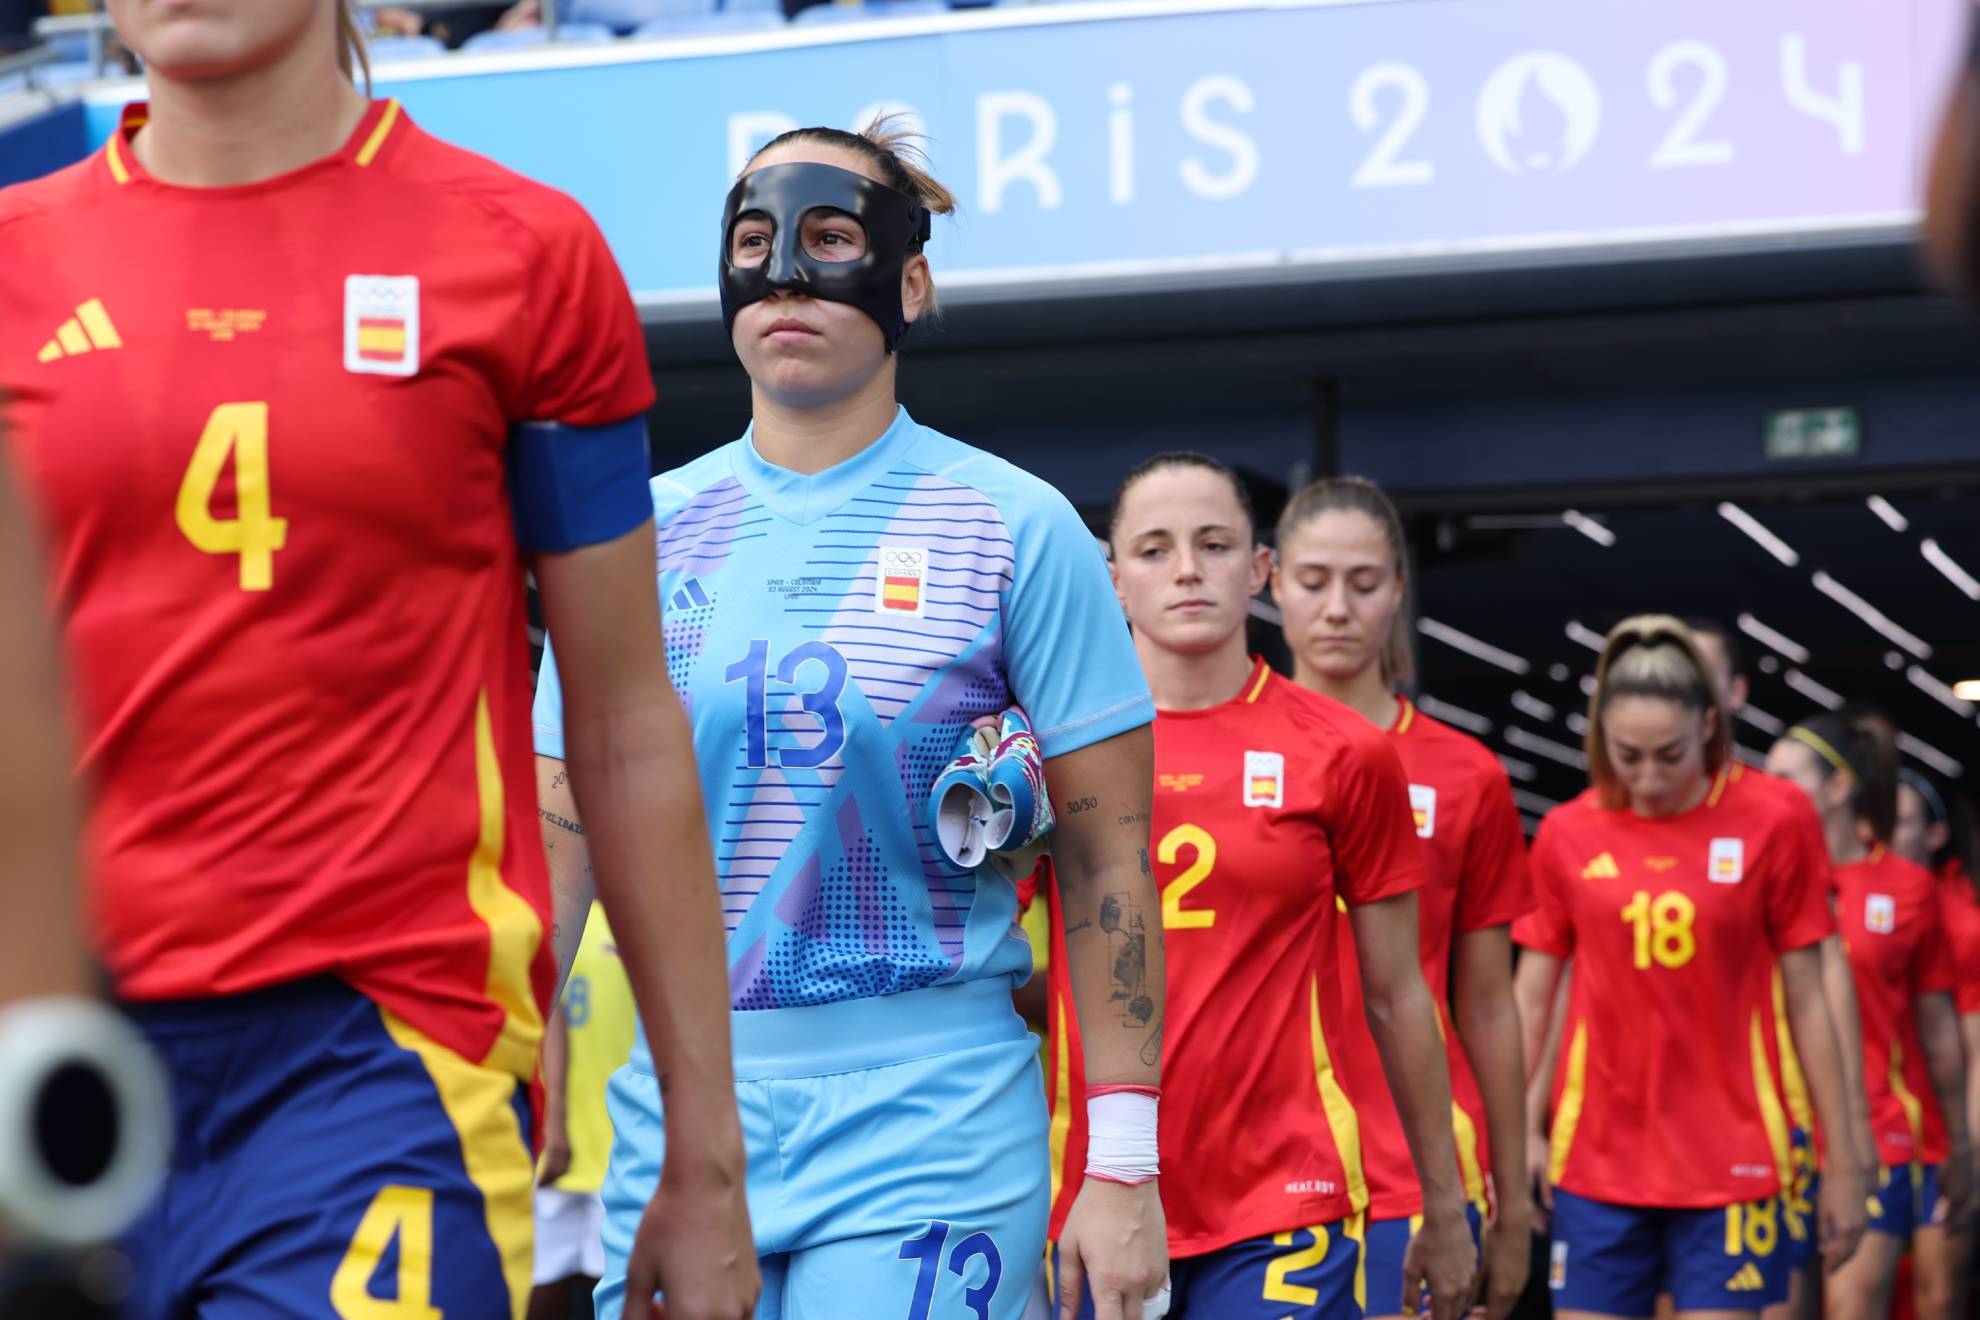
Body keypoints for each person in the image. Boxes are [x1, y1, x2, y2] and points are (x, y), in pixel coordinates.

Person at [0, 1, 757, 1314]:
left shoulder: (520, 253)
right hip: (52, 1056)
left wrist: (706, 1157)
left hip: (383, 1056)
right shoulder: (17, 258)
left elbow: (624, 724)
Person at [533, 121, 1168, 1320]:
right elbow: (556, 859)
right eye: (754, 243)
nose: (785, 275)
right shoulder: (628, 541)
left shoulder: (1018, 527)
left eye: (830, 239)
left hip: (933, 1115)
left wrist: (1125, 1164)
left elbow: (1107, 864)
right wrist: (468, 1095)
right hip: (676, 1114)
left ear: (909, 284)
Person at [1040, 452, 1477, 1320]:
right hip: (1099, 1195)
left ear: (1260, 569)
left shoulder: (1344, 752)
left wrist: (1446, 1202)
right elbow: (995, 981)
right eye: (1155, 549)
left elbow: (1399, 994)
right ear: (1113, 578)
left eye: (1215, 544)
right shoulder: (1053, 751)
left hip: (1288, 1193)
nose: (1188, 570)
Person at [1512, 617, 1866, 1320]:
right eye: (1627, 755)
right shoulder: (1567, 833)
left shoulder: (1775, 817)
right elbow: (1530, 1001)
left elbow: (1809, 999)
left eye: (1670, 755)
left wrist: (1845, 1158)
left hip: (1734, 1159)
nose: (1648, 778)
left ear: (1709, 724)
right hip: (1596, 1162)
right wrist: (1518, 1130)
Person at [1268, 475, 1533, 1320]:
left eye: (1364, 582)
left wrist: (1515, 1204)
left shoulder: (1467, 776)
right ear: (1272, 582)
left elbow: (1488, 1006)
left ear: (1399, 590)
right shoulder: (1217, 754)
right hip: (1260, 1175)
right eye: (1314, 581)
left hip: (1417, 1175)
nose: (1337, 609)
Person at [1685, 617, 1877, 1320]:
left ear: (1733, 694)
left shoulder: (1774, 816)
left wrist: (1848, 1133)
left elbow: (1823, 980)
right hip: (1645, 1132)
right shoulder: (1603, 819)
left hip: (1763, 1118)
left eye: (1700, 677)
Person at [1767, 717, 1975, 1320]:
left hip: (1877, 1132)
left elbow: (1939, 1031)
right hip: (1777, 1133)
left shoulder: (1908, 888)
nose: (1769, 789)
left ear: (1837, 789)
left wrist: (1960, 1145)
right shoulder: (1762, 877)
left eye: (1787, 778)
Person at [1896, 768, 1980, 1320]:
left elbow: (1975, 1053)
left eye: (1901, 822)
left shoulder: (1964, 926)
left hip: (1941, 1142)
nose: (1884, 835)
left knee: (1940, 1296)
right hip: (1872, 1134)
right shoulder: (1842, 908)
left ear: (1936, 835)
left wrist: (1969, 1151)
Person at [531, 901, 637, 1320]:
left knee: (613, 1293)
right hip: (547, 1148)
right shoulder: (545, 913)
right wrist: (554, 1115)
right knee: (535, 1292)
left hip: (621, 1150)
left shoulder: (638, 919)